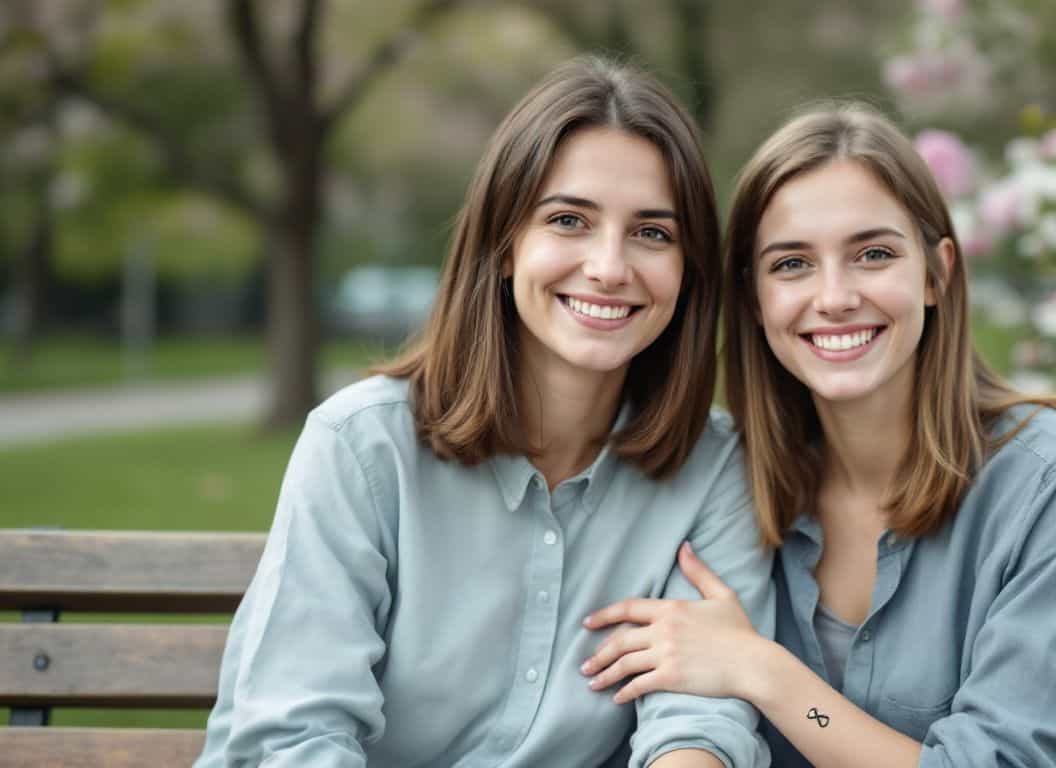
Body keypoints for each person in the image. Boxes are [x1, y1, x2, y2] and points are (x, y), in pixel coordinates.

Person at [195, 57, 774, 768]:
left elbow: (696, 722)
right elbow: (293, 738)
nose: (609, 266)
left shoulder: (713, 471)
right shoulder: (362, 447)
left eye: (652, 233)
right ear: (504, 246)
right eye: (569, 220)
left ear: (688, 274)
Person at [581, 103, 1056, 767]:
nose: (835, 296)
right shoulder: (728, 484)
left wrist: (764, 671)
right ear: (755, 301)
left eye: (873, 254)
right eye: (792, 264)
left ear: (938, 273)